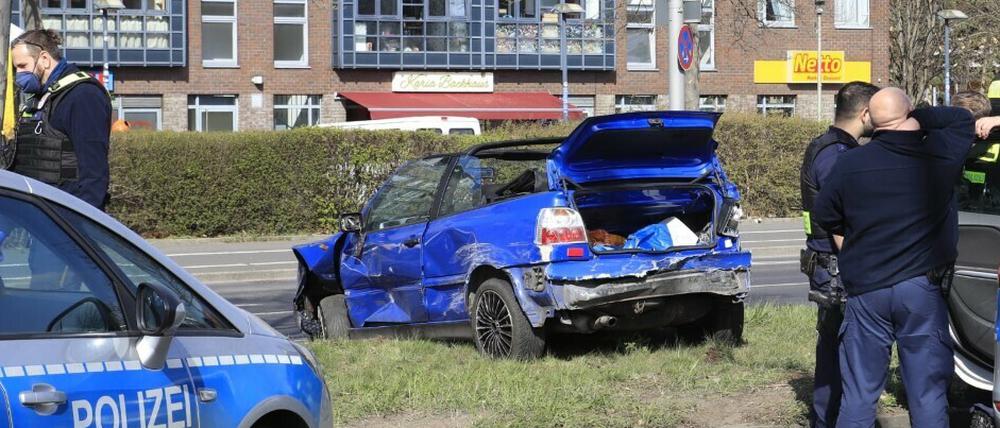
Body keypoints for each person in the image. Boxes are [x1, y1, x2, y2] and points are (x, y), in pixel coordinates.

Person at [812, 88, 974, 427]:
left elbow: (825, 216)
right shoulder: (939, 154)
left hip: (866, 292)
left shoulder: (850, 163)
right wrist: (917, 115)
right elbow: (961, 119)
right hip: (920, 292)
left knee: (858, 396)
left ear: (870, 120)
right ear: (909, 112)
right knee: (927, 395)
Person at [799, 81, 879, 428]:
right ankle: (830, 420)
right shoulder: (837, 155)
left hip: (829, 265)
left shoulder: (826, 145)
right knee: (841, 350)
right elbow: (840, 218)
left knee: (834, 347)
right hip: (837, 267)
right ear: (865, 113)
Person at [10, 29, 112, 210]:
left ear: (44, 59)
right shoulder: (40, 98)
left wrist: (81, 218)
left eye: (23, 66)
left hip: (65, 214)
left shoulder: (83, 96)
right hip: (39, 211)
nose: (19, 74)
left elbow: (94, 171)